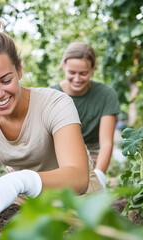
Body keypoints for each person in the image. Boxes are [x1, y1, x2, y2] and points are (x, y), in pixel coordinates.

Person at [0, 8, 103, 233]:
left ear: (19, 69)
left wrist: (20, 180)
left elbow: (78, 178)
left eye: (5, 80)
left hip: (78, 204)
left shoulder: (55, 104)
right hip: (24, 204)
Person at [51, 42, 120, 188]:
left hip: (91, 155)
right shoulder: (51, 95)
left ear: (93, 68)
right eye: (72, 73)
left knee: (84, 188)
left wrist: (99, 175)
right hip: (58, 153)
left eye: (83, 73)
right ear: (64, 66)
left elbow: (106, 143)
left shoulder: (106, 96)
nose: (77, 79)